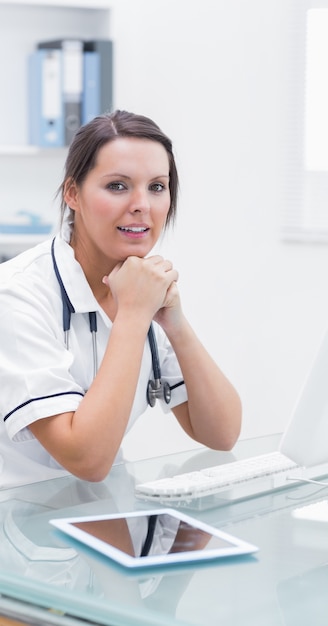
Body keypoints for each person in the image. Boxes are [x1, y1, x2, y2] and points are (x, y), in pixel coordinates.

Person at [0, 110, 241, 487]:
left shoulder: (139, 286)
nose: (142, 204)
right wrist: (133, 314)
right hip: (16, 523)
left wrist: (174, 322)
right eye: (117, 186)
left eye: (157, 187)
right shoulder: (16, 295)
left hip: (102, 511)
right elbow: (88, 459)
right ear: (73, 193)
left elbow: (221, 434)